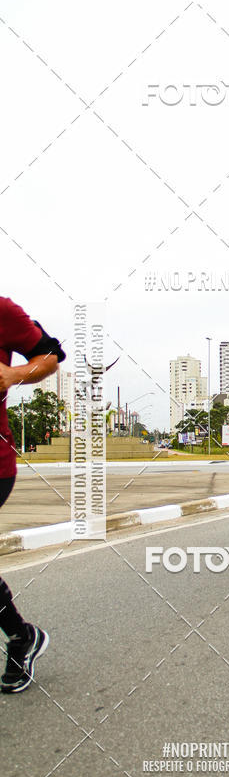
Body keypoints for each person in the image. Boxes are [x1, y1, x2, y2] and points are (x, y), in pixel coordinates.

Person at [0, 297, 66, 693]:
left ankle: (22, 637)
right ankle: (22, 635)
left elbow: (50, 357)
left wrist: (13, 374)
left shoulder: (3, 311)